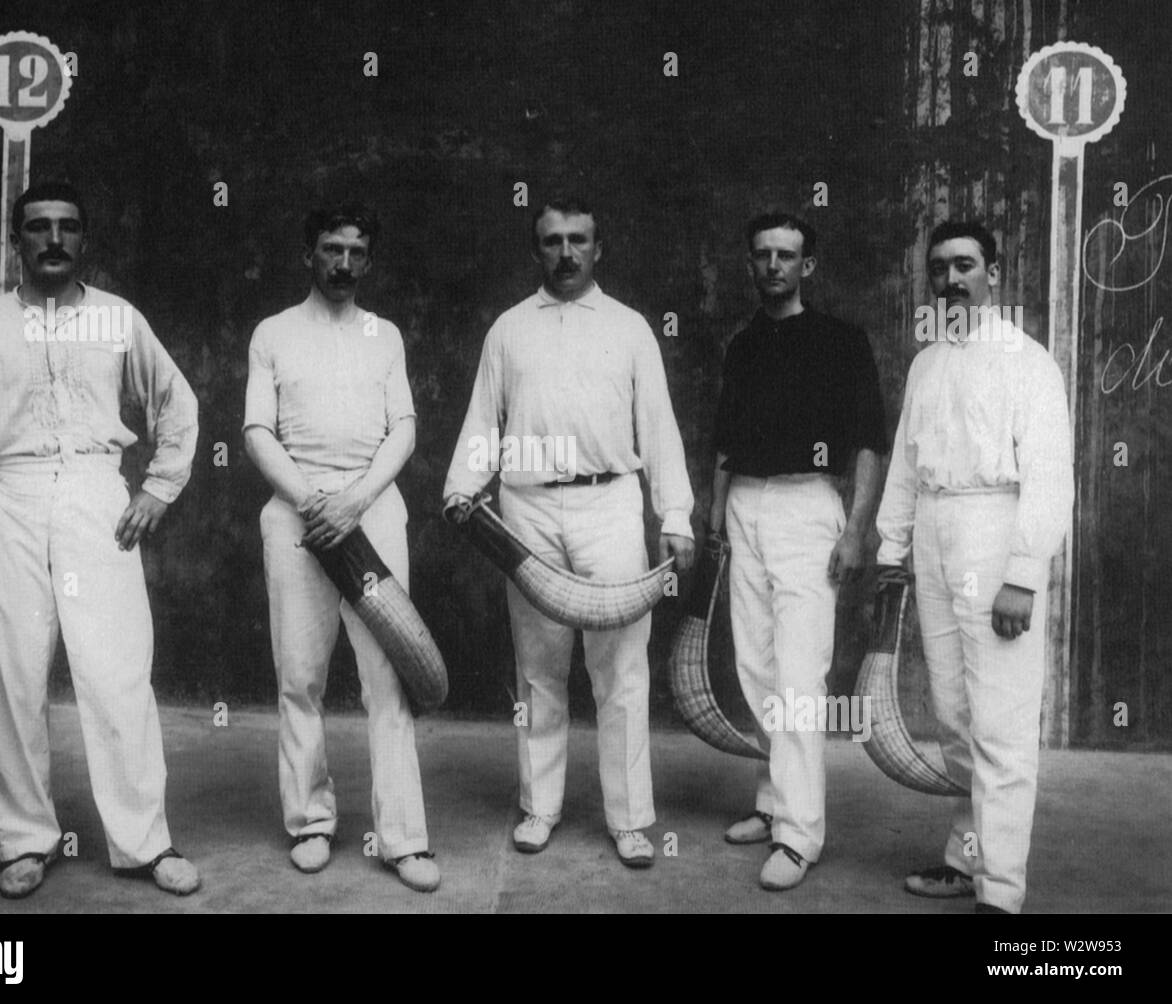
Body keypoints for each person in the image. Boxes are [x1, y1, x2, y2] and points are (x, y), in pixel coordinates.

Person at [0, 181, 201, 899]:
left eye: (68, 228)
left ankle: (143, 844)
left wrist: (158, 488)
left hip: (96, 496)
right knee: (15, 676)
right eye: (38, 227)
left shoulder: (118, 320)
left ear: (85, 240)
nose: (53, 239)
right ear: (16, 241)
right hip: (8, 500)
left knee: (116, 674)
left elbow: (177, 403)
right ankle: (25, 840)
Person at [443, 197, 695, 869]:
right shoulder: (508, 330)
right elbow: (482, 423)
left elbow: (659, 427)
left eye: (577, 239)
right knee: (538, 672)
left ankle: (631, 819)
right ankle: (539, 807)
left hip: (609, 505)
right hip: (525, 512)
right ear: (537, 250)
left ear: (598, 247)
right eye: (551, 240)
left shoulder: (631, 328)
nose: (565, 252)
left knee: (620, 671)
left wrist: (674, 516)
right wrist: (462, 490)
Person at [874, 220, 1073, 914]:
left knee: (1002, 724)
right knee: (955, 719)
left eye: (965, 266)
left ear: (994, 271)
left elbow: (1049, 478)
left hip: (997, 534)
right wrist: (890, 550)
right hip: (934, 532)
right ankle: (966, 860)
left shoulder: (1027, 360)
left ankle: (1002, 896)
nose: (951, 280)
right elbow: (905, 462)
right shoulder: (927, 363)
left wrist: (1022, 572)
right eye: (939, 269)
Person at [242, 203, 440, 893]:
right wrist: (310, 501)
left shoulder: (384, 336)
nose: (344, 263)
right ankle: (311, 823)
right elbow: (257, 431)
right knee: (300, 677)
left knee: (387, 678)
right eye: (332, 249)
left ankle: (403, 838)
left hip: (373, 513)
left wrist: (354, 501)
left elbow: (405, 428)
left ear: (369, 261)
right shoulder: (272, 334)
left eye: (357, 252)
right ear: (309, 254)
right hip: (296, 516)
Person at [708, 212, 888, 891]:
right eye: (762, 255)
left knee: (798, 680)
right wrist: (717, 511)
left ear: (807, 266)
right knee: (755, 667)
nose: (773, 266)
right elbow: (726, 442)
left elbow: (867, 442)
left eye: (786, 255)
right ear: (752, 264)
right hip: (745, 506)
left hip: (810, 509)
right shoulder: (743, 344)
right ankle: (773, 801)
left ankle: (800, 834)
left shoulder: (842, 341)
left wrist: (856, 530)